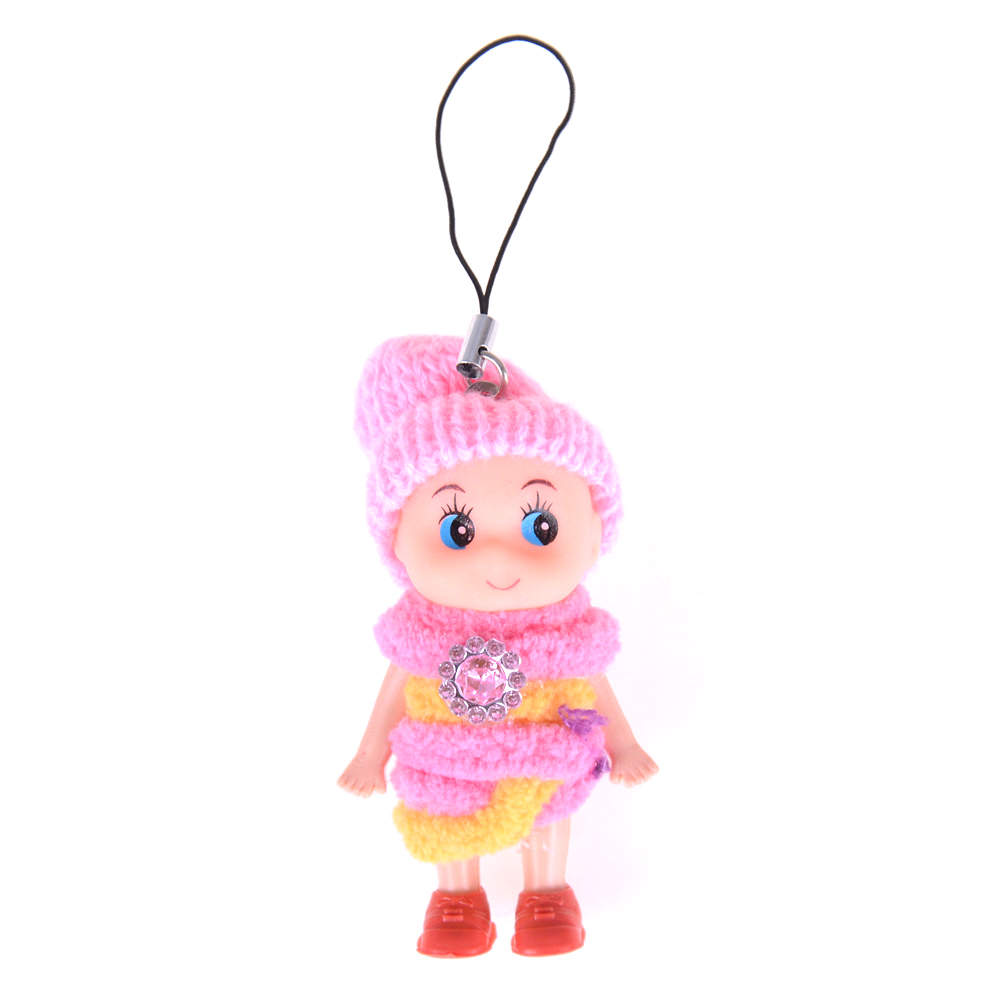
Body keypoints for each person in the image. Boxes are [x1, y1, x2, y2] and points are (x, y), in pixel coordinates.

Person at [339, 335, 658, 957]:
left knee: (550, 804)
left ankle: (547, 893)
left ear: (596, 534)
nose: (498, 559)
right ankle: (457, 898)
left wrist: (623, 744)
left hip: (543, 745)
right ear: (397, 542)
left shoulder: (566, 633)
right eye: (457, 530)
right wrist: (369, 754)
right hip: (446, 750)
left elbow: (592, 683)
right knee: (444, 810)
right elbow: (397, 685)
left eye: (542, 526)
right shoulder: (422, 634)